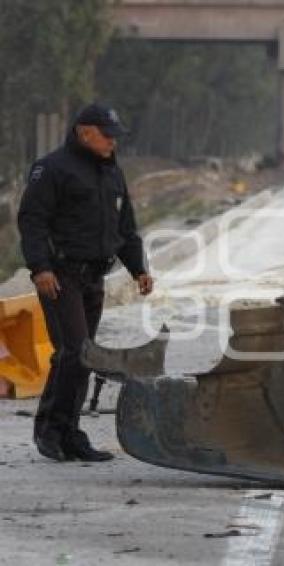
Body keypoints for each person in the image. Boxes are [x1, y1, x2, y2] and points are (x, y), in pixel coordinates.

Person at [17, 103, 154, 462]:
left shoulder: (111, 173)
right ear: (84, 132)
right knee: (74, 353)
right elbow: (32, 221)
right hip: (60, 277)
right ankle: (49, 430)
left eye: (115, 136)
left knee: (85, 357)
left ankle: (71, 434)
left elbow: (125, 228)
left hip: (94, 277)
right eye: (107, 135)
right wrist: (40, 268)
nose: (113, 143)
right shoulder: (52, 169)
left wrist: (138, 268)